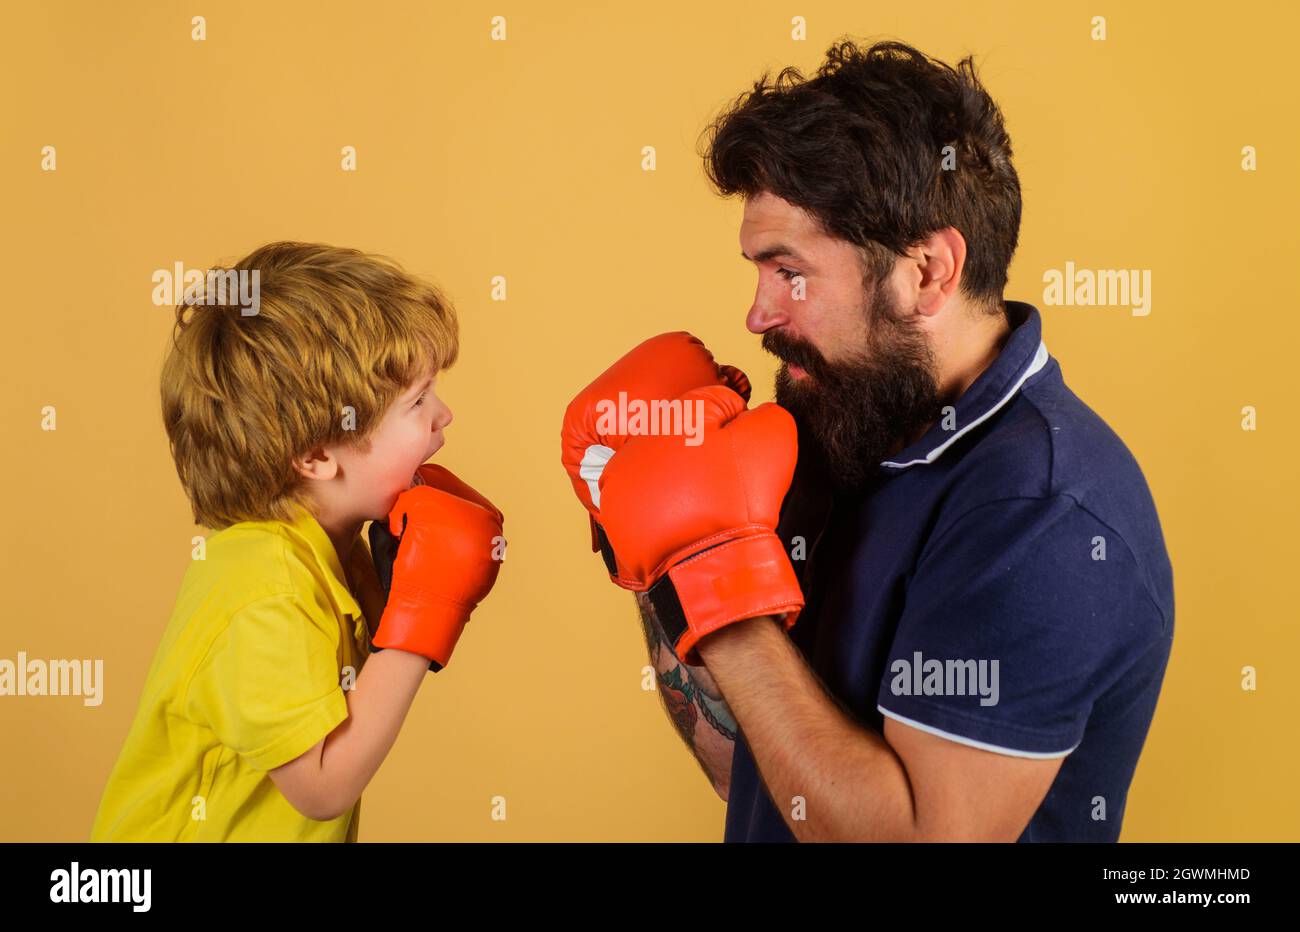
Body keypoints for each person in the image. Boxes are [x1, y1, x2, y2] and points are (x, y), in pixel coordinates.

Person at [561, 39, 1174, 842]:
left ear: (926, 272)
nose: (757, 315)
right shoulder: (842, 429)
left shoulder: (1044, 514)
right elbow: (739, 764)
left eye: (791, 273)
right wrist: (646, 544)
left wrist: (715, 573)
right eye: (757, 271)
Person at [92, 242, 505, 841]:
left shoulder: (326, 550)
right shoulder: (265, 587)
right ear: (316, 455)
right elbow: (322, 784)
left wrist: (398, 599)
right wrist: (426, 614)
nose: (444, 416)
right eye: (417, 402)